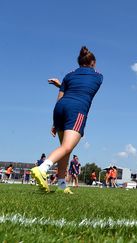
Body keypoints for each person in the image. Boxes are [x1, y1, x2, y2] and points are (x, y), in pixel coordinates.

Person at [31, 46, 103, 194]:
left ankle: (62, 184)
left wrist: (54, 122)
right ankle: (42, 169)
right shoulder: (98, 76)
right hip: (77, 110)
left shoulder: (69, 75)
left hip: (60, 108)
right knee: (67, 147)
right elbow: (84, 89)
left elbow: (61, 95)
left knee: (65, 149)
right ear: (93, 62)